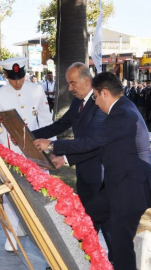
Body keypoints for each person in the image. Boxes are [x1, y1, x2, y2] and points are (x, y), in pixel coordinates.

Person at [34, 72, 151, 270]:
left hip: (131, 189)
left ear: (104, 93)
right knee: (86, 217)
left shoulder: (123, 114)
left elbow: (92, 141)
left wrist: (53, 146)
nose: (95, 103)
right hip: (117, 186)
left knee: (121, 244)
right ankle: (74, 261)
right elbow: (98, 147)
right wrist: (64, 157)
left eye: (95, 97)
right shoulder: (120, 110)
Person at [29, 62, 112, 261]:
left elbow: (91, 143)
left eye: (73, 83)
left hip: (102, 175)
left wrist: (61, 154)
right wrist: (29, 135)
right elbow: (60, 125)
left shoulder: (100, 104)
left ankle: (78, 260)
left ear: (86, 80)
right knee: (99, 223)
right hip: (85, 172)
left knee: (91, 223)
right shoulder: (78, 101)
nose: (70, 88)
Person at [0, 57, 54, 252]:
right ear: (6, 76)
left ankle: (49, 234)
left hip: (34, 148)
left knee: (43, 188)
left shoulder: (35, 90)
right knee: (11, 193)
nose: (18, 82)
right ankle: (12, 234)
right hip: (12, 150)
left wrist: (50, 147)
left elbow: (45, 119)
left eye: (20, 77)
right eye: (13, 78)